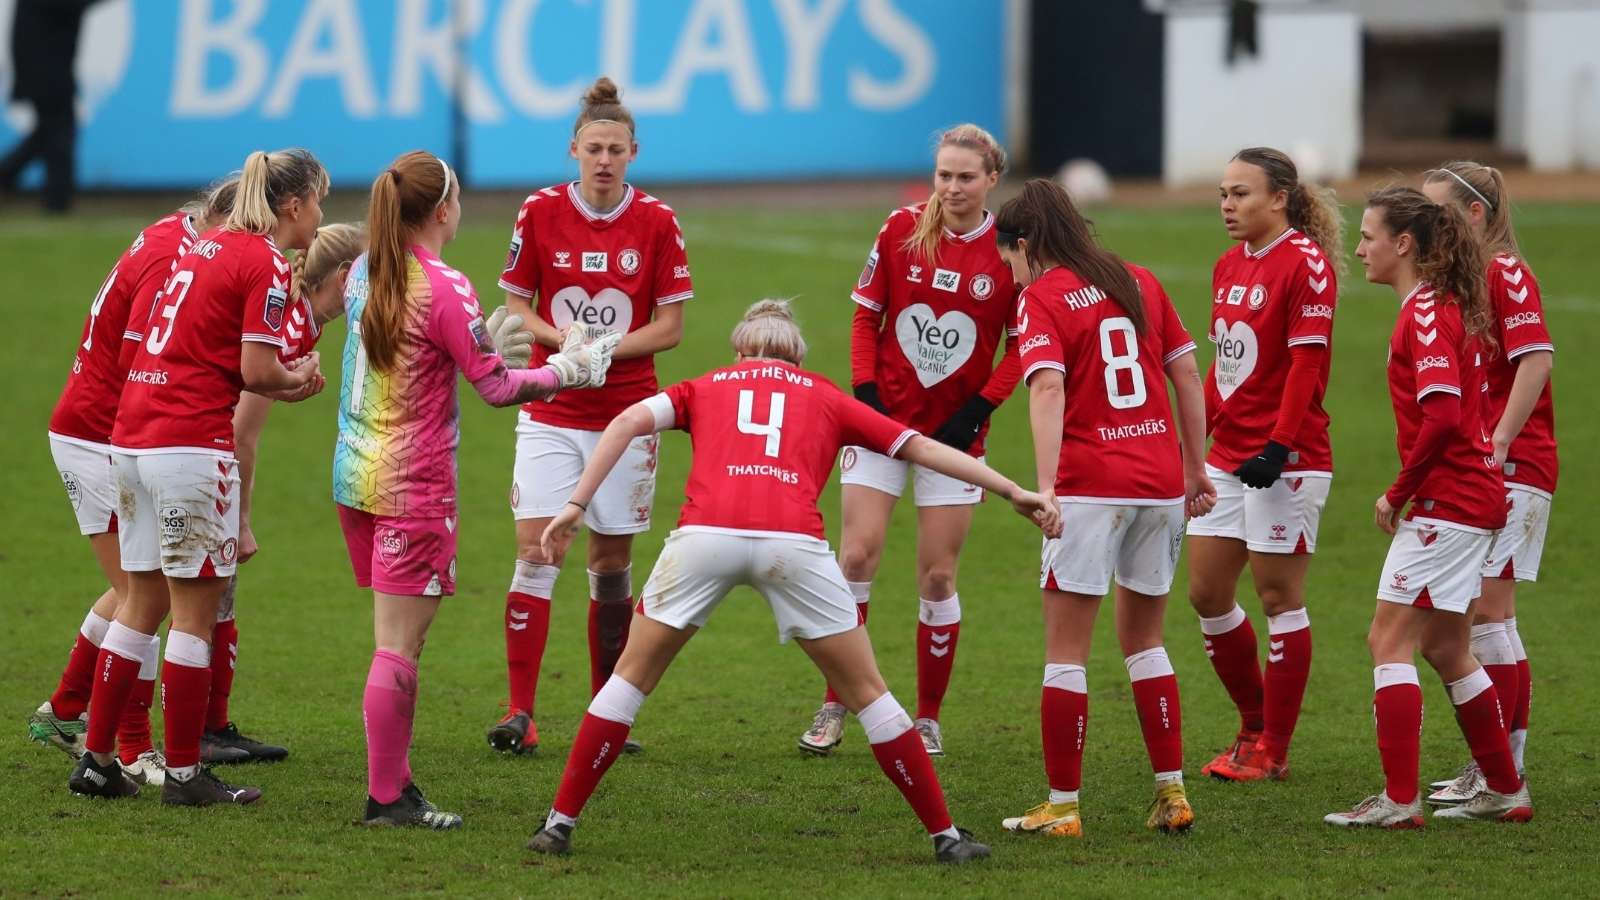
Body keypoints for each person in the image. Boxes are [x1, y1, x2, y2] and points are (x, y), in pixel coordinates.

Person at [523, 300, 1058, 863]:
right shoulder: (825, 395)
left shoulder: (706, 385)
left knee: (628, 683)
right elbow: (923, 447)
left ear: (740, 349)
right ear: (797, 358)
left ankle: (558, 825)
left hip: (705, 537)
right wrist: (1011, 491)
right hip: (794, 546)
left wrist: (576, 503)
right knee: (870, 695)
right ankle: (946, 837)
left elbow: (627, 420)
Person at [334, 150, 615, 830]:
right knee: (398, 645)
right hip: (414, 484)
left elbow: (418, 351)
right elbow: (494, 387)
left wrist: (479, 339)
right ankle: (385, 799)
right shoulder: (444, 285)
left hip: (354, 474)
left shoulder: (363, 270)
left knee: (396, 640)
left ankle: (395, 784)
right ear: (445, 211)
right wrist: (568, 372)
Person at [68, 148, 328, 805]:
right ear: (293, 205)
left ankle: (98, 761)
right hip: (189, 446)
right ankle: (185, 775)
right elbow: (257, 370)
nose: (320, 216)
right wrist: (299, 380)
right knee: (193, 616)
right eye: (318, 201)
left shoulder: (203, 244)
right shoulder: (265, 261)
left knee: (140, 604)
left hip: (131, 439)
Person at [992, 179, 1214, 838]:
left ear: (1027, 244)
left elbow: (1048, 388)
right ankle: (1172, 794)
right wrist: (1196, 468)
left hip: (1090, 487)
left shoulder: (1042, 299)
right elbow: (1187, 377)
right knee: (1146, 641)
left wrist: (1045, 485)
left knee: (1066, 652)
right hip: (1160, 483)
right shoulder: (1138, 279)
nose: (1010, 272)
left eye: (1009, 258)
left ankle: (1062, 807)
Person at [798, 123, 1020, 758]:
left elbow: (1022, 344)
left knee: (938, 577)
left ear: (991, 180)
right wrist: (865, 396)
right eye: (943, 175)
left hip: (955, 439)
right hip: (881, 428)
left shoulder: (1010, 249)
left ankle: (926, 717)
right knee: (855, 560)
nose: (951, 187)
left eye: (965, 177)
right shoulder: (900, 229)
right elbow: (867, 316)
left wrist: (979, 408)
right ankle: (835, 702)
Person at [491, 76, 693, 756]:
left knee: (609, 564)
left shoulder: (658, 222)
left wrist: (601, 349)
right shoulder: (539, 212)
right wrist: (562, 349)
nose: (603, 160)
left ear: (634, 152)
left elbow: (669, 328)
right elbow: (517, 307)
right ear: (573, 149)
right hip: (551, 408)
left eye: (616, 149)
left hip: (627, 417)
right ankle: (520, 711)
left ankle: (606, 707)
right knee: (535, 551)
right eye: (593, 148)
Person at [1325, 186, 1530, 828]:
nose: (1359, 248)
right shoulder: (1441, 304)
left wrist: (1399, 489)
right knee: (1446, 644)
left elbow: (1440, 415)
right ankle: (1504, 787)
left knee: (1388, 640)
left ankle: (1399, 800)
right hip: (1471, 498)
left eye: (1367, 236)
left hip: (1450, 500)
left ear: (1403, 244)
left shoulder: (1424, 312)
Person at [32, 180, 231, 784]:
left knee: (138, 594)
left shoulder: (176, 238)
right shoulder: (177, 251)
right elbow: (135, 357)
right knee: (146, 598)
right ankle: (129, 746)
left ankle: (65, 710)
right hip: (102, 434)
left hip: (109, 430)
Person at [1187, 147, 1343, 782]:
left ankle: (1272, 748)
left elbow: (1306, 363)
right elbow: (1227, 363)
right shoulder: (1229, 264)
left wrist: (1278, 447)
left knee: (1279, 597)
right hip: (1227, 453)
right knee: (1206, 593)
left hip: (1288, 458)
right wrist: (1199, 439)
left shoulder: (1306, 264)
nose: (1228, 205)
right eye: (1223, 193)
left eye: (1241, 194)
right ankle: (1251, 724)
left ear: (1280, 198)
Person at [202, 222, 369, 766]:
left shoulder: (303, 319)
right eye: (371, 271)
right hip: (191, 450)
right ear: (345, 276)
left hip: (180, 443)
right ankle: (100, 715)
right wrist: (241, 518)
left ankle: (211, 725)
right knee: (170, 598)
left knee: (200, 598)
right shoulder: (293, 323)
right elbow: (240, 431)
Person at [1420, 162, 1554, 804]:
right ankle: (1499, 766)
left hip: (1514, 462)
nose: (1427, 226)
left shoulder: (1503, 271)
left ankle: (1503, 773)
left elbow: (1536, 358)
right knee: (1487, 620)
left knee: (1490, 619)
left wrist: (1499, 441)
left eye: (1438, 213)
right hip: (1496, 462)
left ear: (1474, 214)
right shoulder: (1472, 277)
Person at [0, 0, 99, 211]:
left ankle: (7, 175)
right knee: (60, 130)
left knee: (49, 130)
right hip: (46, 71)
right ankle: (57, 201)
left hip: (44, 68)